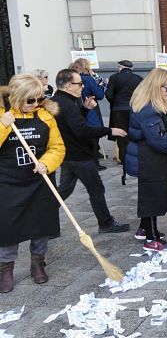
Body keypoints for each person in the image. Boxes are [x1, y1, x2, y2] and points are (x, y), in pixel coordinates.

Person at [0, 75, 65, 293]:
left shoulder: (46, 116)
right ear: (16, 97)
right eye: (30, 100)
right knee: (8, 227)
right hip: (8, 183)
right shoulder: (2, 116)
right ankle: (6, 269)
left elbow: (57, 147)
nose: (35, 104)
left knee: (41, 224)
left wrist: (47, 163)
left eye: (39, 99)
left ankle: (38, 262)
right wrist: (3, 127)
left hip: (39, 181)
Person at [51, 69, 130, 234]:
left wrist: (85, 109)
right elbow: (81, 130)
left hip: (68, 155)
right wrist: (109, 131)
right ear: (67, 85)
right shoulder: (67, 104)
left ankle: (44, 223)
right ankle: (106, 223)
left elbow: (71, 124)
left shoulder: (58, 101)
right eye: (79, 83)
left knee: (64, 190)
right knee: (96, 189)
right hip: (79, 156)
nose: (82, 86)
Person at [125, 69, 167, 251]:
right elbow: (159, 142)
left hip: (150, 158)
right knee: (153, 196)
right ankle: (151, 238)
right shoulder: (148, 110)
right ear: (156, 87)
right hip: (150, 159)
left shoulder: (152, 105)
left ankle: (144, 228)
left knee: (150, 193)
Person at [105, 60, 143, 174]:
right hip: (133, 109)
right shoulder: (138, 78)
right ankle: (136, 156)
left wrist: (114, 102)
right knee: (134, 133)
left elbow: (109, 94)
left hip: (118, 110)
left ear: (121, 67)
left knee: (121, 135)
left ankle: (123, 158)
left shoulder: (114, 77)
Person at [70, 58, 107, 170]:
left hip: (77, 109)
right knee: (93, 134)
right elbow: (99, 95)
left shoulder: (72, 79)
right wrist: (101, 85)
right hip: (90, 108)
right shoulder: (88, 79)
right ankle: (94, 163)